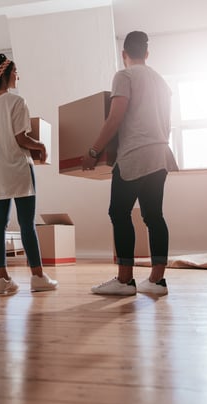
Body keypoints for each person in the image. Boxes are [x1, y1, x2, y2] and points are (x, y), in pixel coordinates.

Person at [82, 31, 178, 296]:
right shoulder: (162, 82)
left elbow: (115, 118)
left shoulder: (124, 76)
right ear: (146, 54)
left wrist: (93, 150)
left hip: (135, 154)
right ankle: (157, 281)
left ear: (124, 55)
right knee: (154, 216)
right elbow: (167, 125)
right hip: (160, 154)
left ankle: (125, 280)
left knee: (119, 212)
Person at [0, 53, 58, 295]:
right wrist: (41, 146)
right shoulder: (16, 102)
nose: (18, 76)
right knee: (26, 225)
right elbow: (21, 138)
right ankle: (38, 277)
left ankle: (3, 280)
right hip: (19, 170)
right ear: (9, 74)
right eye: (16, 72)